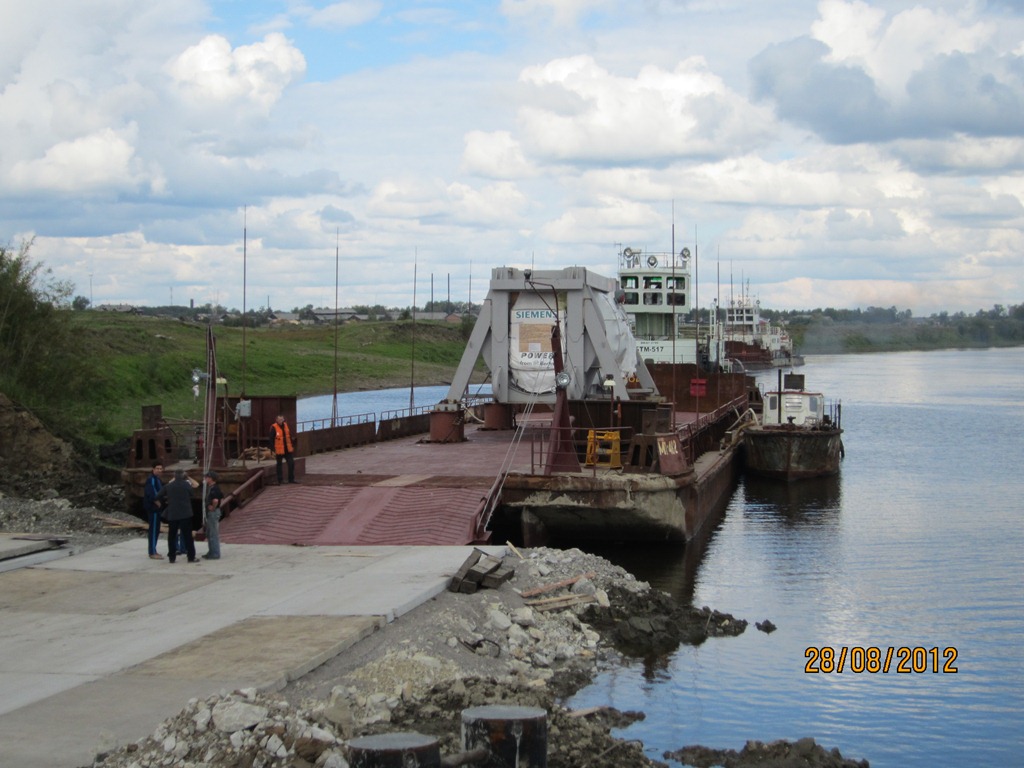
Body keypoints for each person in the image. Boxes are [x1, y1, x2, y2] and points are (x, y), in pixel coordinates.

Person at [156, 469, 200, 564]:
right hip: (185, 513)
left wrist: (165, 501)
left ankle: (172, 557)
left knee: (172, 536)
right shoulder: (186, 485)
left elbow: (158, 495)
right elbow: (192, 493)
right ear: (183, 476)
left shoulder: (169, 486)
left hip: (173, 513)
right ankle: (191, 557)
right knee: (188, 536)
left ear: (174, 476)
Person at [143, 463, 164, 559]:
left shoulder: (158, 479)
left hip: (157, 508)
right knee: (153, 530)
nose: (159, 470)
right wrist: (156, 501)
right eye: (157, 468)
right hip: (153, 508)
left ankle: (154, 549)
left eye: (160, 468)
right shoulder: (151, 479)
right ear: (153, 469)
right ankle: (152, 552)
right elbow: (151, 492)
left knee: (156, 529)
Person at [202, 471, 224, 560]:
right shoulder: (211, 488)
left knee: (213, 533)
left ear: (210, 478)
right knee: (209, 532)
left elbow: (215, 500)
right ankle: (211, 551)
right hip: (211, 512)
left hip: (213, 513)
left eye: (206, 477)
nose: (205, 479)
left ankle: (215, 553)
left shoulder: (214, 489)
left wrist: (213, 507)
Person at [269, 414, 297, 484]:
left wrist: (292, 445)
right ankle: (280, 480)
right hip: (279, 449)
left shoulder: (285, 426)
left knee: (291, 463)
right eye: (279, 419)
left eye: (282, 419)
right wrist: (273, 448)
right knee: (279, 464)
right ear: (276, 420)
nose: (281, 421)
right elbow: (271, 439)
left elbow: (289, 436)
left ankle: (291, 479)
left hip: (287, 448)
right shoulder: (274, 427)